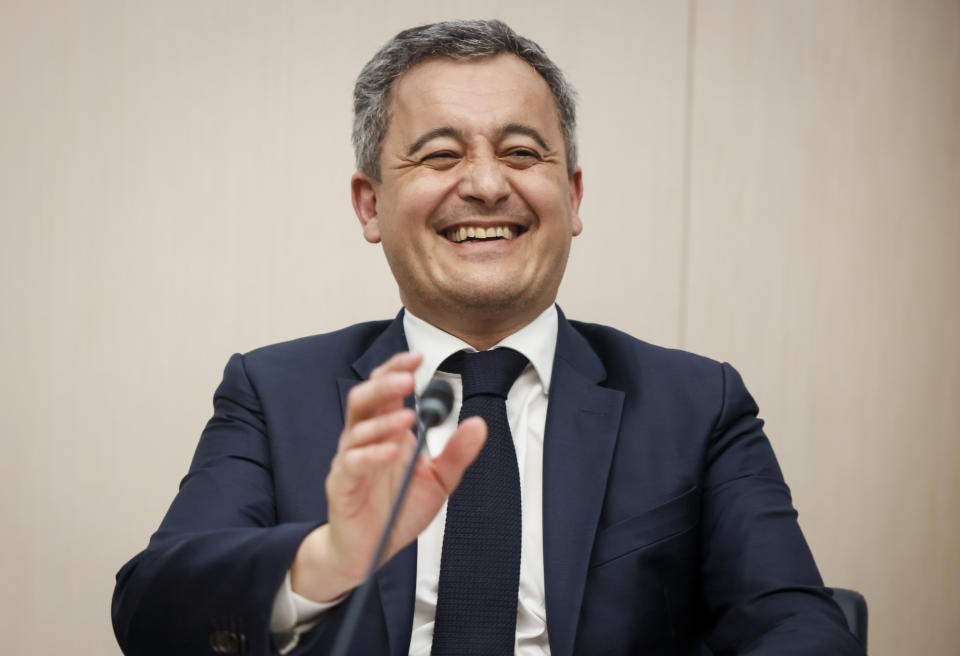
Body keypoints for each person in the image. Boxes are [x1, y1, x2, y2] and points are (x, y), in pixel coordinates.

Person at [112, 19, 864, 656]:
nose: (485, 184)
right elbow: (150, 608)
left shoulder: (697, 403)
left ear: (571, 197)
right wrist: (327, 559)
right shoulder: (275, 393)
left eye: (521, 152)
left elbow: (796, 627)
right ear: (370, 204)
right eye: (440, 154)